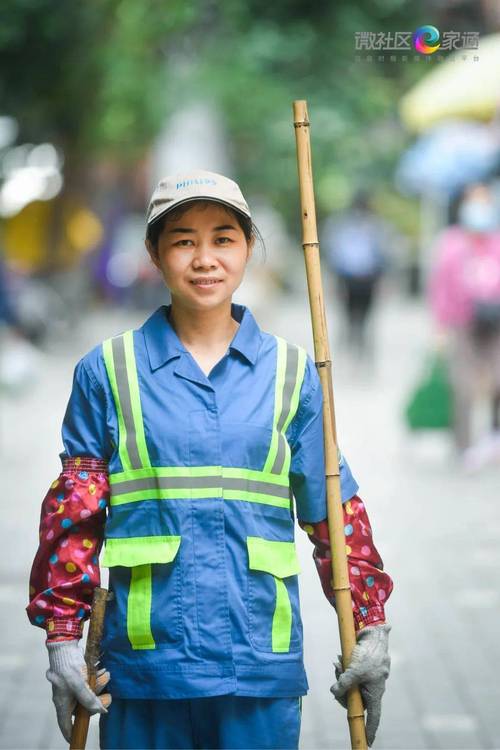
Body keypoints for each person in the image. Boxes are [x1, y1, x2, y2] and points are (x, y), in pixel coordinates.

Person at [26, 170, 393, 750]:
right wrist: (63, 637)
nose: (205, 258)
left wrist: (371, 628)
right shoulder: (108, 371)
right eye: (182, 240)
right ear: (154, 252)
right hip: (144, 669)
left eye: (224, 238)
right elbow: (75, 518)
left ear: (250, 248)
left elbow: (334, 513)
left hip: (259, 668)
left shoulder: (294, 375)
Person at [429, 181, 500, 466]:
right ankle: (464, 444)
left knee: (496, 378)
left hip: (495, 321)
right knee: (463, 384)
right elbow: (440, 286)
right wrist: (440, 326)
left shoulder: (495, 242)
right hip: (461, 322)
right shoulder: (450, 243)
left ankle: (493, 433)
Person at [322, 190, 389, 356]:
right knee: (350, 316)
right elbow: (333, 253)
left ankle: (360, 349)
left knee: (362, 317)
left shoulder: (375, 226)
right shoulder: (343, 225)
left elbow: (383, 255)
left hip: (366, 278)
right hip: (349, 278)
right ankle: (354, 348)